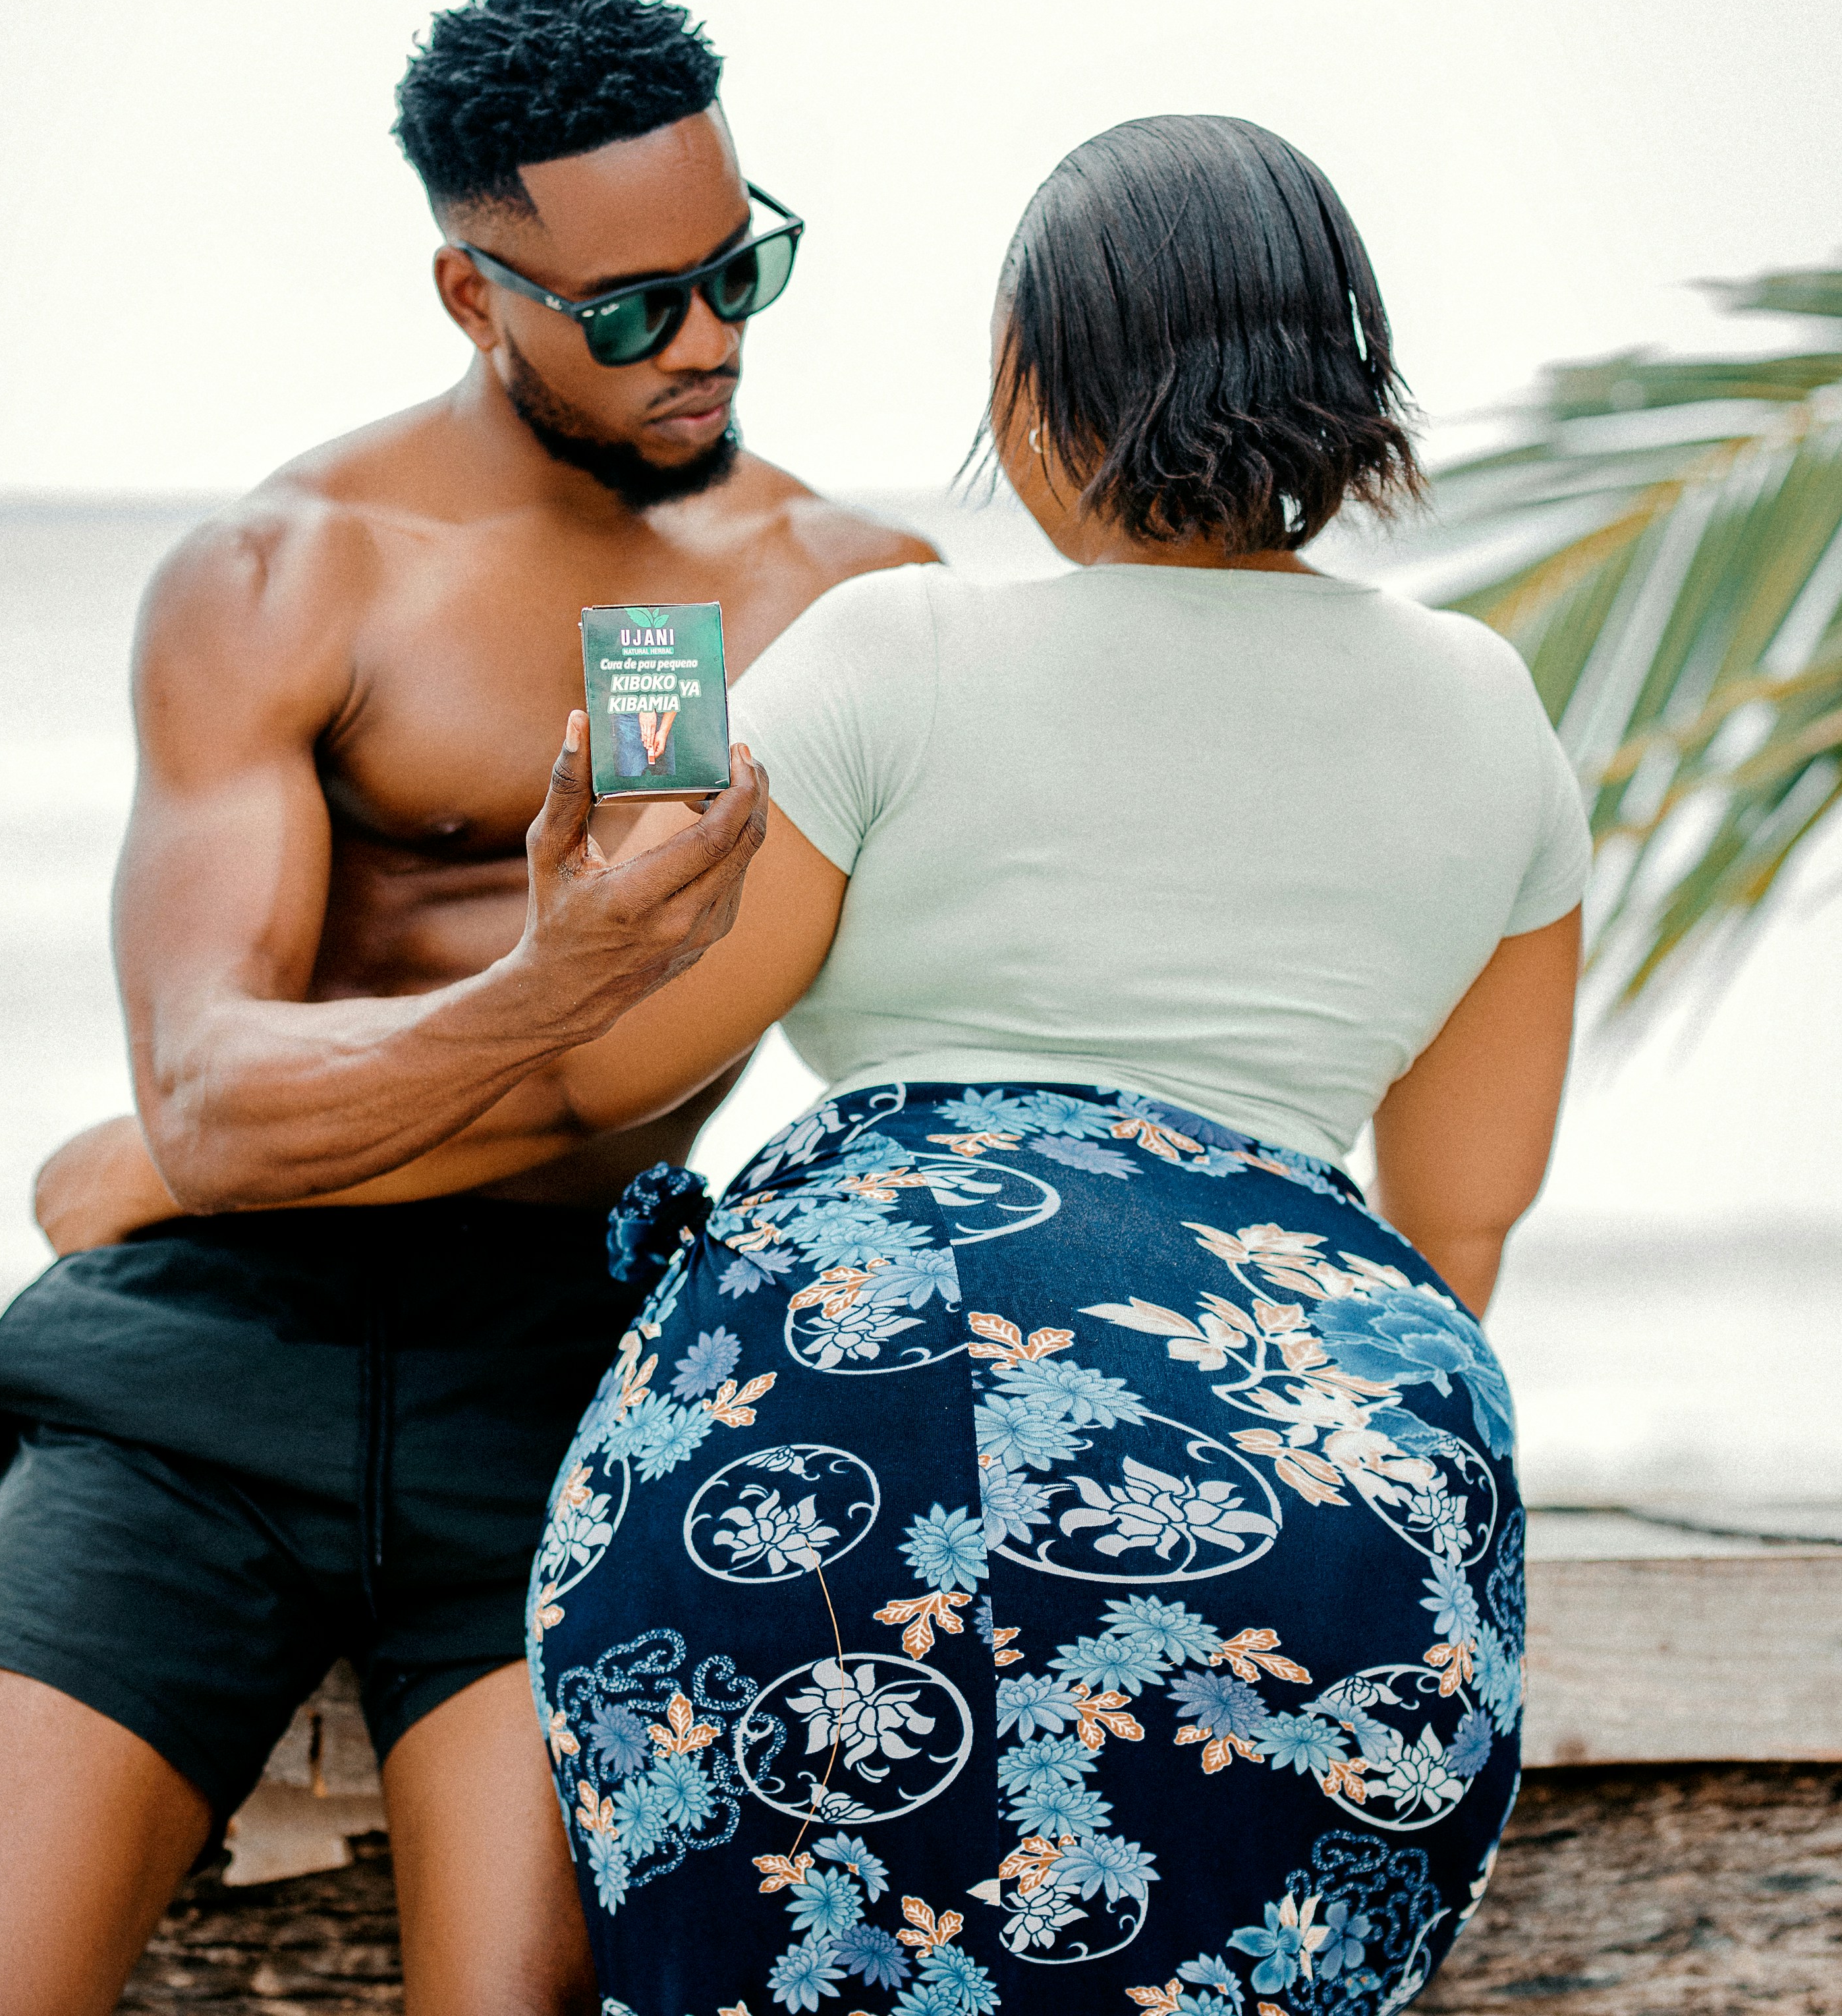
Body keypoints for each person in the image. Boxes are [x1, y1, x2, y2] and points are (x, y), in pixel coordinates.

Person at [414, 113, 1589, 2011]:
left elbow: (614, 1068)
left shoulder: (898, 651)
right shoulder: (1486, 706)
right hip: (1319, 1496)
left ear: (1036, 393)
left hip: (836, 1425)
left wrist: (580, 930)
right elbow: (1459, 1226)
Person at [0, 0, 932, 2016]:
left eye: (740, 271)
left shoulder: (839, 598)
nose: (705, 342)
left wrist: (215, 1147)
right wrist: (552, 996)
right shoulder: (289, 575)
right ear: (470, 294)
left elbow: (228, 1135)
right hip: (194, 1370)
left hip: (551, 1385)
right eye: (632, 310)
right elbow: (207, 1106)